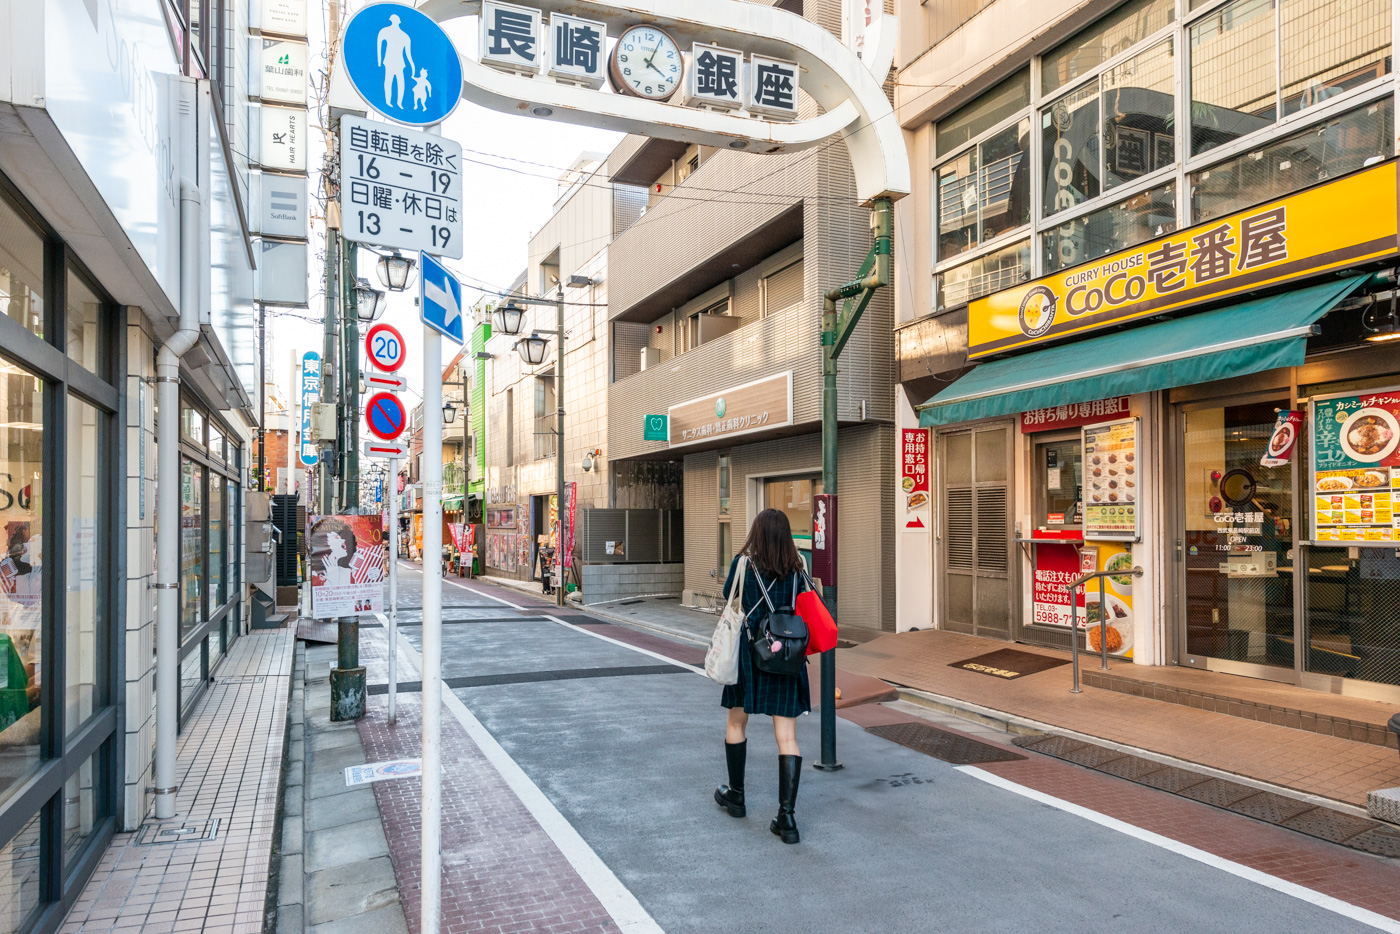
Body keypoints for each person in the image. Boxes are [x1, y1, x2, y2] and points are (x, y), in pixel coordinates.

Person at [714, 509, 811, 844]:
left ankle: (736, 795)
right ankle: (787, 818)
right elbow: (807, 607)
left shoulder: (744, 564)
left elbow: (730, 598)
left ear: (756, 532)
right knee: (787, 736)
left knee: (736, 723)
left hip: (750, 655)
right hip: (786, 657)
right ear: (786, 534)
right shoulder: (799, 566)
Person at [310, 517, 357, 588]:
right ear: (324, 543)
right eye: (336, 537)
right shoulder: (315, 575)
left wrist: (334, 580)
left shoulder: (347, 572)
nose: (343, 540)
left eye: (342, 536)